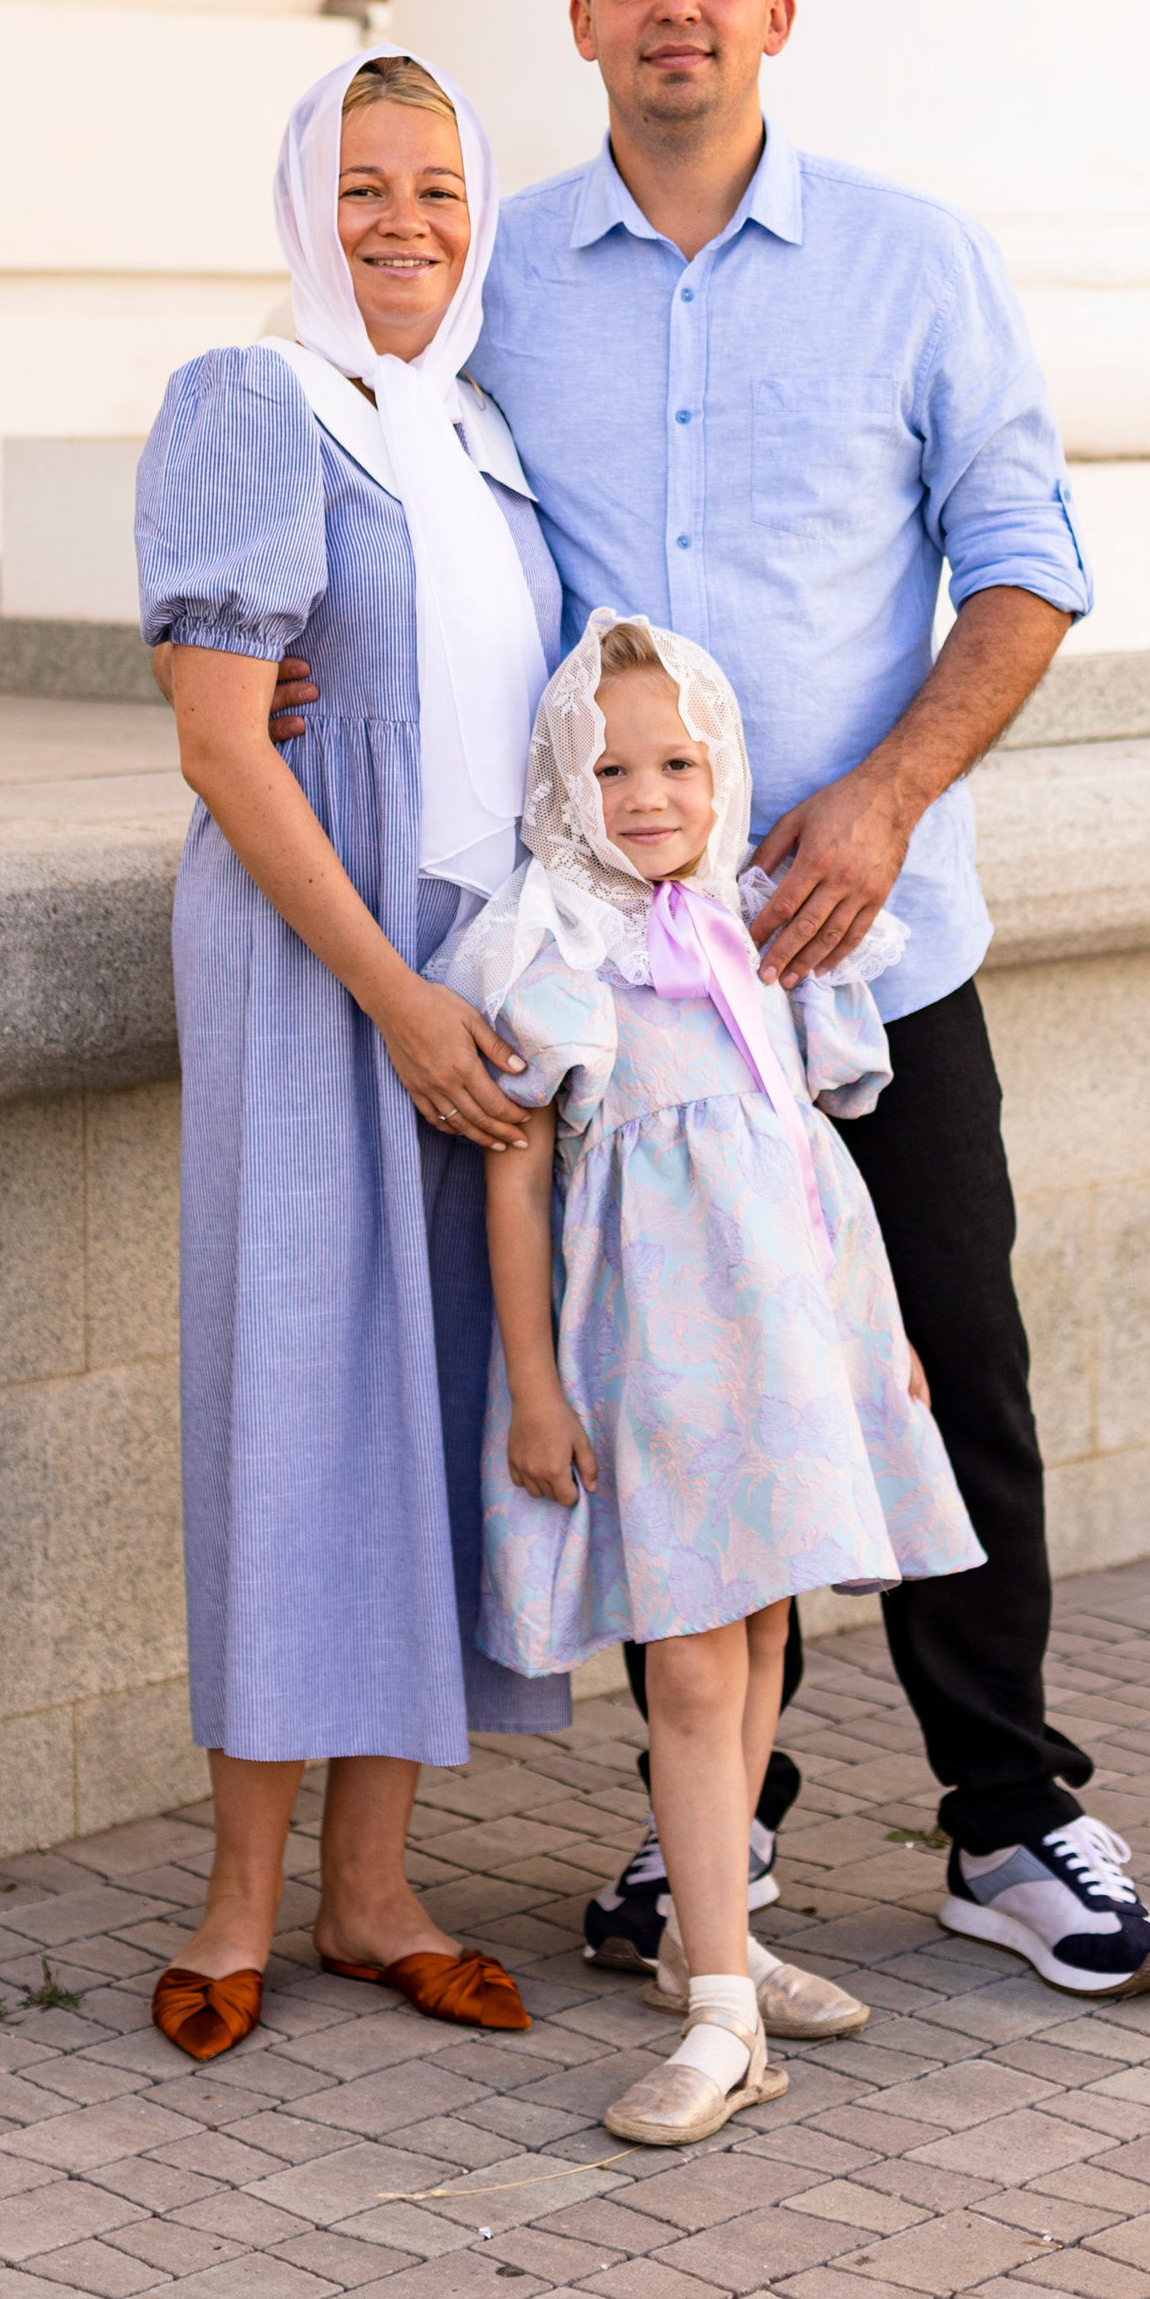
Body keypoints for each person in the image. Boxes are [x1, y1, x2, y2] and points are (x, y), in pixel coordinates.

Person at [417, 0, 1150, 1995]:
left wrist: (882, 799)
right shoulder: (507, 286)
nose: (675, 5)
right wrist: (289, 651)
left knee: (949, 1383)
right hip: (632, 1001)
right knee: (681, 1406)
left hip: (867, 948)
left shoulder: (912, 260)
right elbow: (418, 518)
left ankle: (1011, 1819)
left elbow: (1024, 564)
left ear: (775, 11)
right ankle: (713, 1829)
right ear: (575, 21)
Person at [132, 50, 563, 2068]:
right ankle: (235, 1899)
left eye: (439, 190)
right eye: (365, 187)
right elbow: (226, 737)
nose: (403, 225)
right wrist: (391, 992)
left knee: (445, 1401)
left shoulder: (476, 428)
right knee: (299, 1386)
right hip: (328, 969)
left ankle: (373, 1896)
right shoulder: (252, 400)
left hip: (474, 962)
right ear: (304, 202)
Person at [440, 610, 979, 2144]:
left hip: (783, 1356)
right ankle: (727, 2023)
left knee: (755, 1640)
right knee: (685, 1664)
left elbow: (815, 1176)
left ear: (722, 769)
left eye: (678, 762)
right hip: (649, 1365)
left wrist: (880, 1347)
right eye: (611, 769)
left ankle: (705, 1942)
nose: (648, 795)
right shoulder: (554, 951)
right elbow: (517, 1181)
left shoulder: (759, 940)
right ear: (561, 780)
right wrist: (537, 1391)